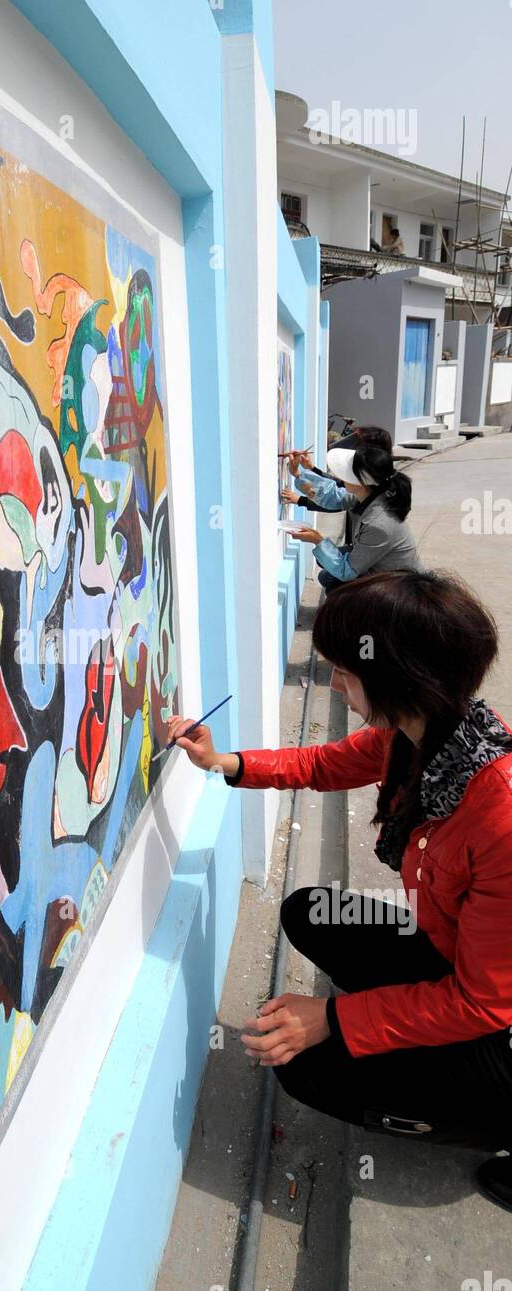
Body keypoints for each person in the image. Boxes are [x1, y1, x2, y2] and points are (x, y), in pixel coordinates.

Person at [168, 569, 512, 1213]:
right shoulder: (422, 734)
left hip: (499, 1028)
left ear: (399, 680)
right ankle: (401, 1051)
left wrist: (331, 1018)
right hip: (453, 951)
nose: (333, 684)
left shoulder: (501, 816)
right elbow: (325, 764)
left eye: (344, 672)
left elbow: (482, 1003)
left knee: (303, 1066)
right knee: (309, 912)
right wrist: (224, 764)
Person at [287, 442, 420, 592]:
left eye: (347, 473)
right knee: (327, 573)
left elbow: (347, 572)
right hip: (380, 566)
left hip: (398, 585)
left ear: (363, 481)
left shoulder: (379, 524)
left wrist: (317, 540)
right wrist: (297, 474)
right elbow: (334, 498)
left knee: (335, 584)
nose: (340, 477)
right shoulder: (369, 493)